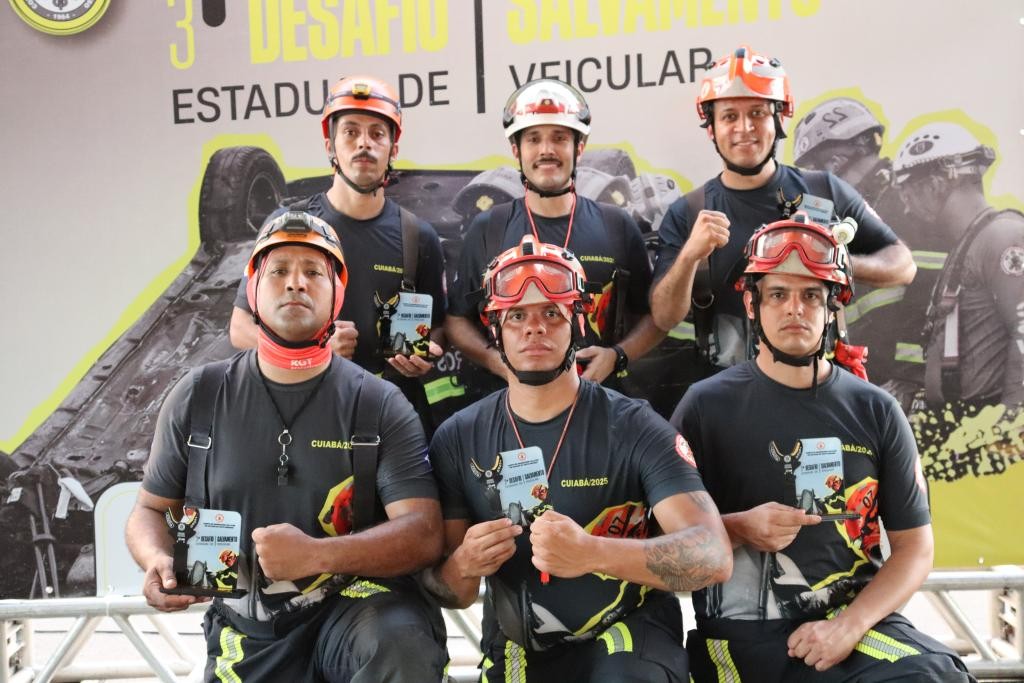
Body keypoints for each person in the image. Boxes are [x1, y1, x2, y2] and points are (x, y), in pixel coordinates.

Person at [127, 212, 448, 681]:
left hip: (352, 607)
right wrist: (157, 559)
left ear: (337, 294)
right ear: (252, 291)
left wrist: (319, 555)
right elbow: (150, 510)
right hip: (247, 626)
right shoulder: (199, 395)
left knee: (401, 643)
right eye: (278, 270)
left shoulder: (379, 402)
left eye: (313, 272)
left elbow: (424, 533)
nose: (295, 283)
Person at [671, 214, 974, 682]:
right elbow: (658, 539)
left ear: (833, 307)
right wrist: (737, 528)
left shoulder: (876, 410)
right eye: (778, 294)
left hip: (852, 628)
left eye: (811, 295)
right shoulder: (703, 407)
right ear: (751, 304)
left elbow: (915, 549)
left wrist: (846, 626)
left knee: (933, 676)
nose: (795, 308)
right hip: (740, 636)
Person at [425, 235, 732, 682]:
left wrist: (593, 552)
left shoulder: (635, 426)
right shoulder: (457, 438)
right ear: (495, 329)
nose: (534, 328)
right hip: (519, 642)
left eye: (552, 313)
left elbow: (713, 555)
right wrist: (463, 565)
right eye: (517, 316)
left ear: (579, 323)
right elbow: (450, 592)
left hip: (627, 633)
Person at [650, 46, 916, 381]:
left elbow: (903, 265)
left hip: (819, 389)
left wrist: (838, 262)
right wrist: (690, 256)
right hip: (730, 394)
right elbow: (663, 318)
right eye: (729, 116)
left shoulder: (824, 190)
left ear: (779, 120)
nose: (745, 127)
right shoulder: (688, 212)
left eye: (758, 113)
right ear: (711, 128)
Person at [229, 74, 447, 435]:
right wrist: (311, 352)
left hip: (391, 417)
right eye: (350, 132)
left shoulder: (417, 237)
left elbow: (438, 327)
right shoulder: (289, 226)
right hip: (307, 412)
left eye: (377, 133)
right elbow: (240, 329)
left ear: (393, 149)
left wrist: (425, 352)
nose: (364, 143)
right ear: (330, 146)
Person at [445, 78, 664, 402]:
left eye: (559, 137)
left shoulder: (616, 225)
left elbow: (653, 317)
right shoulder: (488, 228)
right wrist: (497, 363)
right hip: (511, 408)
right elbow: (456, 319)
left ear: (579, 147)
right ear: (517, 150)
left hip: (599, 404)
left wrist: (617, 355)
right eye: (534, 139)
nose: (546, 150)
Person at [793, 96, 937, 392]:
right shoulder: (863, 213)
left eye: (816, 170)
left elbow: (927, 289)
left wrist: (909, 377)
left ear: (835, 162)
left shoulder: (902, 202)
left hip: (906, 380)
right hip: (874, 378)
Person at [891, 121, 1024, 408]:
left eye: (908, 194)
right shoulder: (971, 242)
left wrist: (1010, 426)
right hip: (966, 422)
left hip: (991, 424)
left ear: (935, 185)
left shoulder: (1002, 237)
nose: (906, 208)